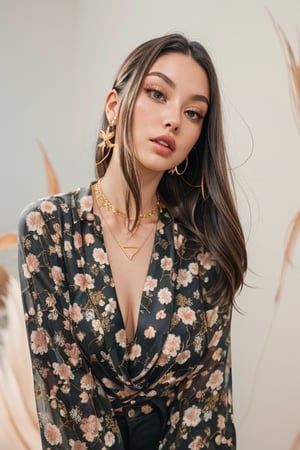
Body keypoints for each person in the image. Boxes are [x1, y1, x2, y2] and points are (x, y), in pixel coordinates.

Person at [18, 33, 247, 450]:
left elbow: (207, 406)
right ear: (114, 106)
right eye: (157, 93)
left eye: (193, 112)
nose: (174, 119)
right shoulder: (47, 227)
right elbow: (65, 397)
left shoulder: (205, 248)